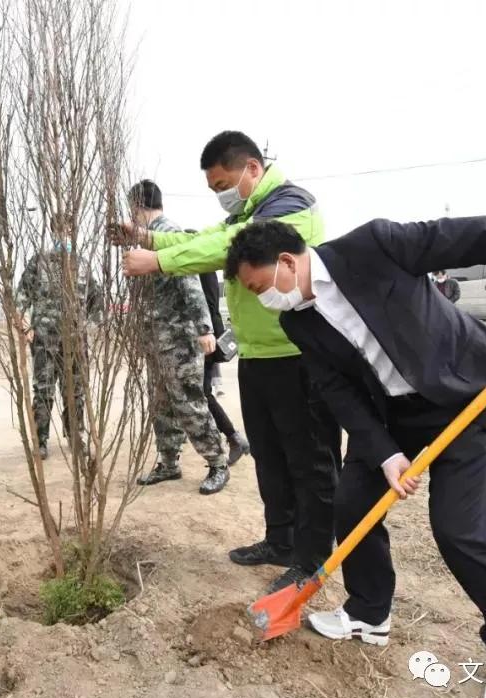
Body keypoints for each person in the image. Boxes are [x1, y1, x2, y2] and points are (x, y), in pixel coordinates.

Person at [225, 217, 486, 698]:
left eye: (258, 287)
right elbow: (337, 388)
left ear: (288, 263)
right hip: (390, 417)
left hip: (461, 398)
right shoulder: (297, 319)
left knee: (458, 532)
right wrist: (383, 453)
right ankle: (367, 612)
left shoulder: (375, 246)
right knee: (350, 503)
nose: (260, 299)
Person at [113, 131, 340, 594]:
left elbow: (229, 246)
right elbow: (209, 235)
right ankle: (280, 540)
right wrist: (148, 235)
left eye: (222, 184)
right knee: (271, 460)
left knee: (309, 462)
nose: (220, 195)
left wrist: (157, 260)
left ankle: (314, 557)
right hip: (259, 355)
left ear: (252, 169)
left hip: (298, 355)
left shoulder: (292, 204)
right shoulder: (252, 208)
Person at [126, 180, 229, 494]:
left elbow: (190, 282)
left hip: (178, 339)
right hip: (157, 338)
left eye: (131, 210)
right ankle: (169, 463)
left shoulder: (167, 234)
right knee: (162, 404)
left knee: (189, 402)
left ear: (136, 206)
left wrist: (204, 328)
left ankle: (218, 463)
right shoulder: (146, 239)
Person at [16, 214, 101, 460]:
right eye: (59, 231)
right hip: (44, 340)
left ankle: (75, 437)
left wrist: (88, 326)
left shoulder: (83, 264)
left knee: (75, 391)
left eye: (68, 231)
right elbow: (21, 296)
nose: (64, 235)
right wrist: (24, 327)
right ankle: (40, 440)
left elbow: (96, 300)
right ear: (53, 232)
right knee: (43, 390)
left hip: (75, 342)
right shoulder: (39, 262)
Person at [198, 266, 251, 464]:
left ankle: (233, 439)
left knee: (202, 394)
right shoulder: (205, 271)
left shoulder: (200, 272)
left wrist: (208, 333)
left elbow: (209, 305)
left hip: (205, 340)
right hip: (206, 337)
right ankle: (232, 439)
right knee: (202, 394)